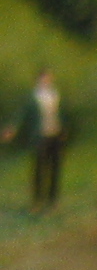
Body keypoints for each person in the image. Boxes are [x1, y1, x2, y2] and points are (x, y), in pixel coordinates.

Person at [2, 69, 66, 210]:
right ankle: (37, 201)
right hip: (40, 137)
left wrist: (63, 130)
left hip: (55, 135)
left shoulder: (55, 95)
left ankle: (53, 200)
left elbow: (60, 114)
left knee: (55, 168)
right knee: (39, 169)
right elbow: (21, 114)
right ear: (38, 80)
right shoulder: (33, 97)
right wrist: (12, 128)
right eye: (44, 78)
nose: (47, 81)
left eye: (49, 78)